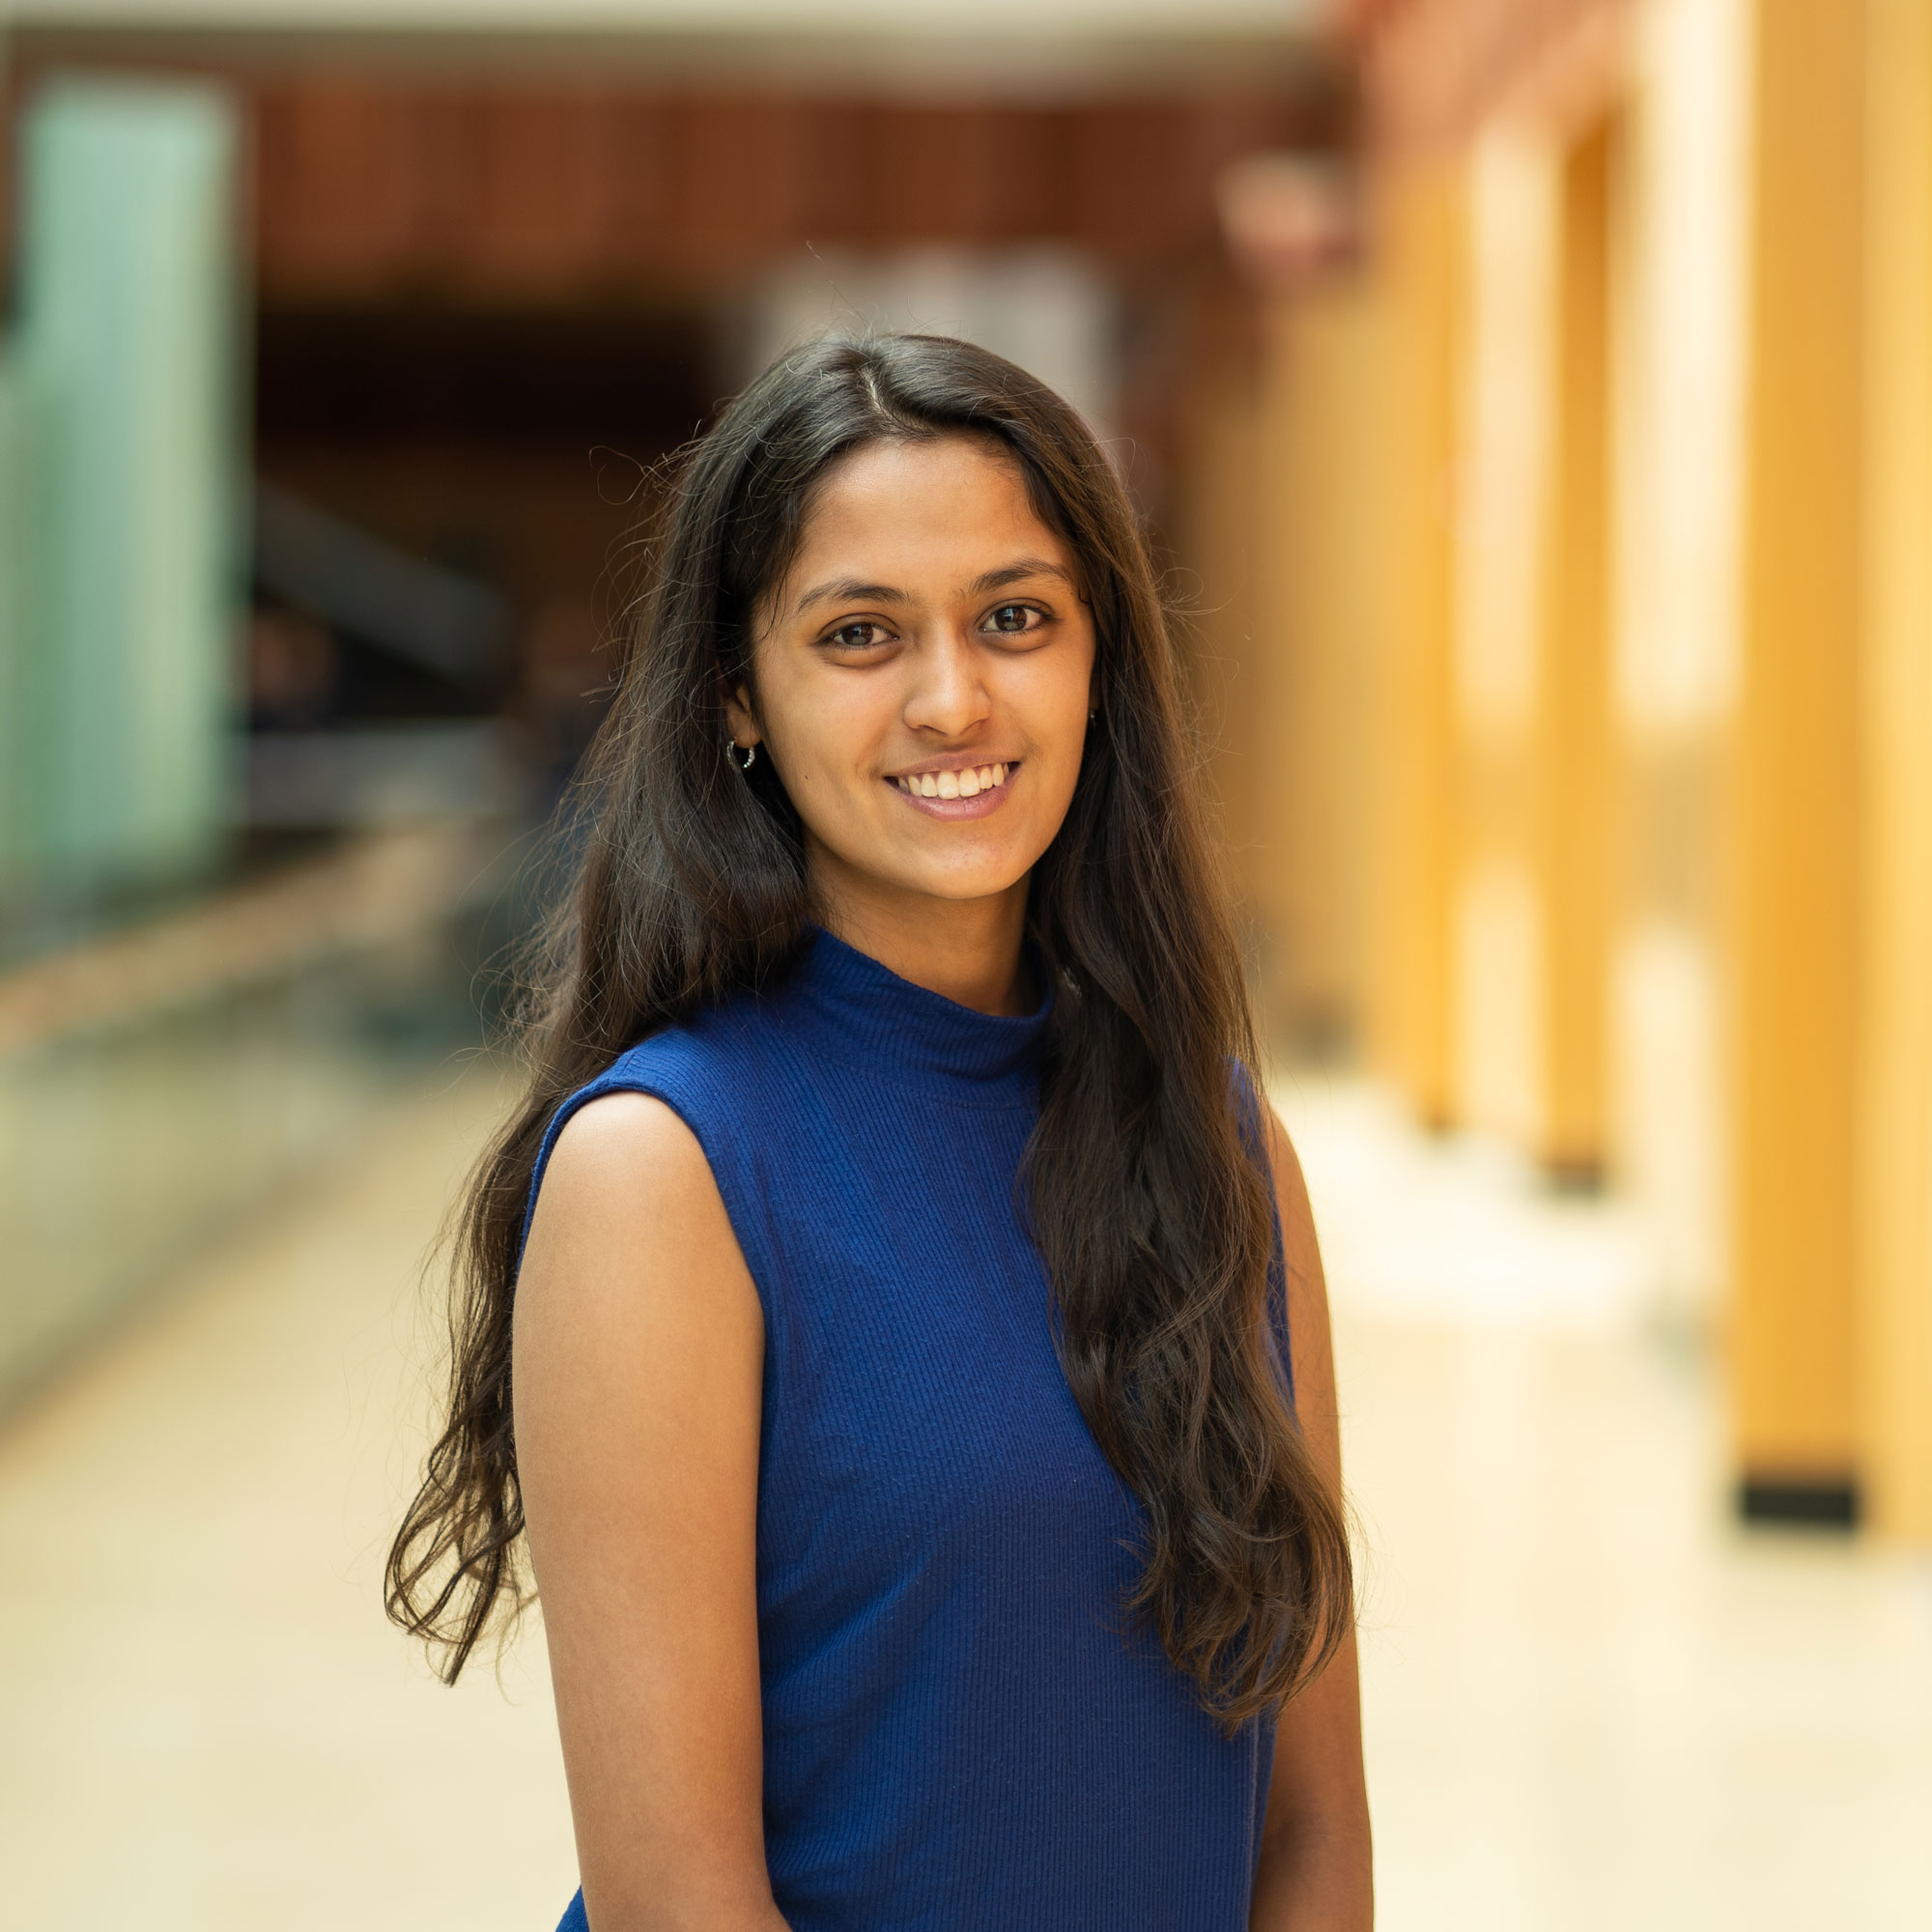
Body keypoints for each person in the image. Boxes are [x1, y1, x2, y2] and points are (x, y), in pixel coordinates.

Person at [387, 333, 1371, 1931]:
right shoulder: (668, 1171)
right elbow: (678, 1903)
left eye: (1015, 617)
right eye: (860, 633)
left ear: (1098, 658)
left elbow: (1315, 1826)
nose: (952, 697)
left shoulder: (1222, 1144)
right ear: (737, 701)